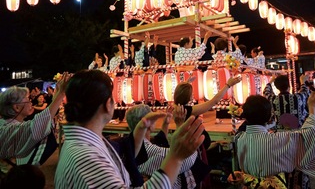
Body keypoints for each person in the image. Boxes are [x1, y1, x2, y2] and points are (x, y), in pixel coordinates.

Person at [55, 69, 205, 189]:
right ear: (108, 104)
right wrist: (175, 157)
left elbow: (121, 152)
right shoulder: (86, 158)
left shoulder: (79, 144)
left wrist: (139, 132)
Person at [227, 91, 315, 188]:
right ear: (269, 117)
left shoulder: (239, 138)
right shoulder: (278, 139)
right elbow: (310, 135)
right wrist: (312, 106)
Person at [0, 72, 70, 161]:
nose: (31, 103)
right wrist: (60, 93)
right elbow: (40, 123)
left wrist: (58, 91)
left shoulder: (7, 124)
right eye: (27, 100)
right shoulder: (9, 130)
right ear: (17, 107)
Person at [125, 104, 198, 189]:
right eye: (152, 117)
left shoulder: (131, 144)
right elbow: (186, 156)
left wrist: (166, 124)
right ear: (146, 122)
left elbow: (162, 142)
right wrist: (180, 125)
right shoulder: (147, 150)